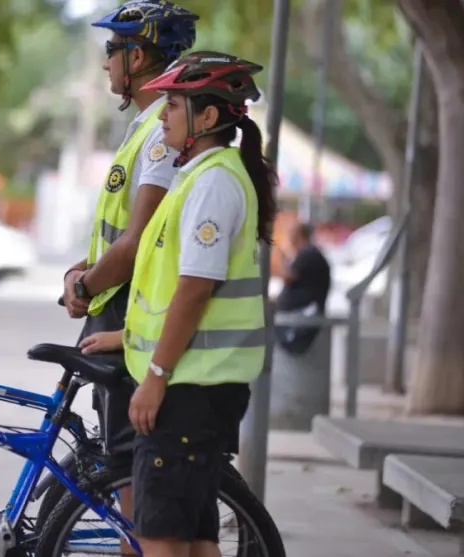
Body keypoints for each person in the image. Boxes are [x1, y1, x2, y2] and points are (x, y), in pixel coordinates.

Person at [79, 51, 278, 557]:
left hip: (188, 390)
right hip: (200, 385)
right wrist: (128, 336)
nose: (162, 114)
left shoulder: (211, 183)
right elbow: (173, 292)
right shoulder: (202, 176)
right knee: (196, 540)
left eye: (173, 105)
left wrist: (155, 377)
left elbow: (195, 289)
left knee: (159, 539)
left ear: (207, 118)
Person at [60, 0, 199, 527]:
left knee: (129, 486)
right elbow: (118, 235)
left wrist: (84, 287)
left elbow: (139, 241)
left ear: (136, 57)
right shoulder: (146, 126)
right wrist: (81, 271)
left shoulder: (160, 137)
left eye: (111, 50)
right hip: (114, 304)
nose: (105, 63)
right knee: (120, 469)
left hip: (127, 313)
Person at [274, 221, 332, 353]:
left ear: (297, 236)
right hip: (297, 316)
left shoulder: (308, 254)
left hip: (299, 318)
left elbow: (289, 276)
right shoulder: (308, 254)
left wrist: (280, 256)